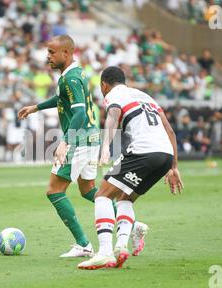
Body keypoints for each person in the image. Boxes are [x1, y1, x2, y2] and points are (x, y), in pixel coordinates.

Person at [18, 35, 146, 258]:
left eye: (51, 52)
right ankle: (132, 224)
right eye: (47, 52)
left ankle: (83, 244)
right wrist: (36, 107)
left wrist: (65, 141)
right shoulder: (74, 75)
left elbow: (77, 111)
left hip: (79, 139)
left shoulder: (71, 79)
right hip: (89, 137)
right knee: (88, 190)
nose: (47, 56)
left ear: (66, 53)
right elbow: (62, 100)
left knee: (54, 191)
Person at [78, 66, 183, 270]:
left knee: (102, 195)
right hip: (165, 155)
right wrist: (174, 167)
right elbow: (170, 131)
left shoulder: (114, 94)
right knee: (125, 198)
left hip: (142, 152)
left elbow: (113, 116)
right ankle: (121, 247)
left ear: (104, 85)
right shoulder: (145, 96)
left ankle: (105, 253)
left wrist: (106, 145)